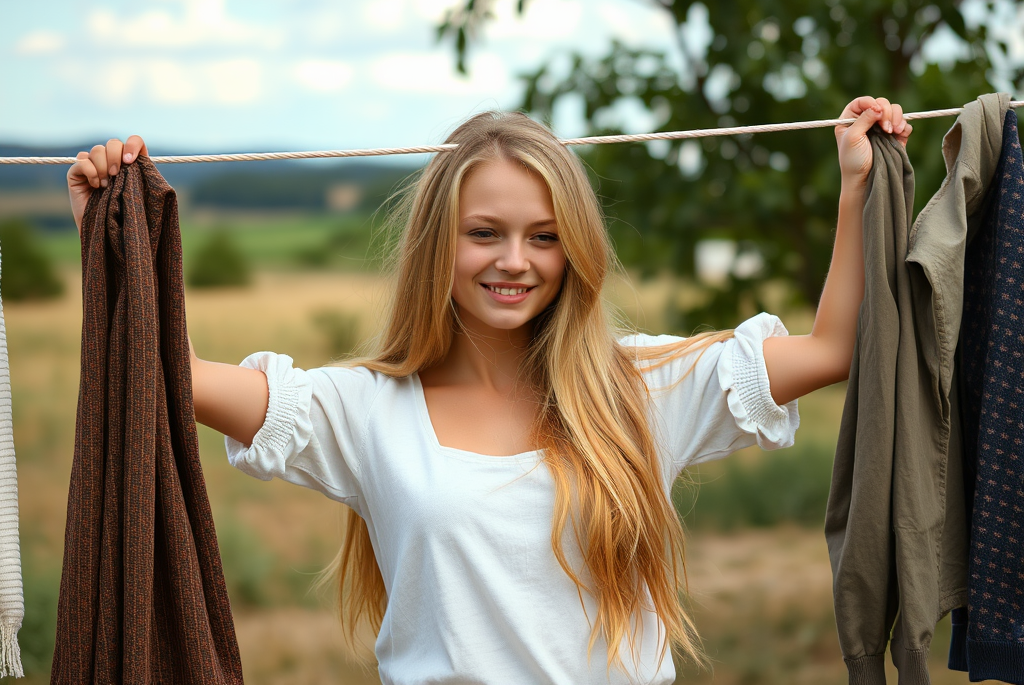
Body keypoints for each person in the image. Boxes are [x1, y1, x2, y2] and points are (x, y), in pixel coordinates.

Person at [67, 97, 910, 684]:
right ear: (440, 242)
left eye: (544, 237)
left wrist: (855, 184)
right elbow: (162, 379)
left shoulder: (643, 387)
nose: (515, 261)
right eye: (486, 233)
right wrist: (110, 238)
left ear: (573, 247)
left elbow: (832, 348)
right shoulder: (364, 410)